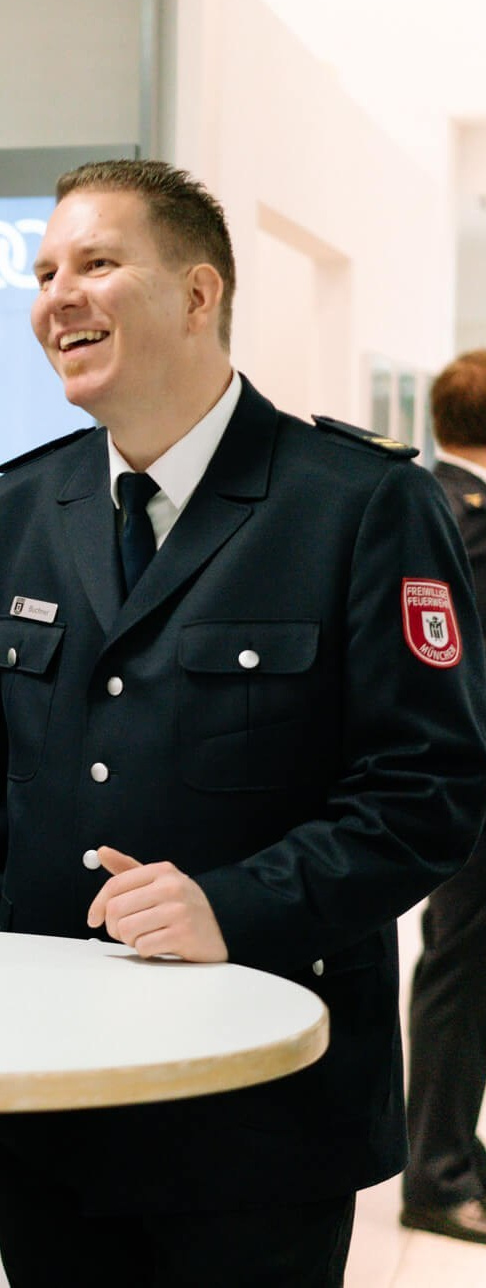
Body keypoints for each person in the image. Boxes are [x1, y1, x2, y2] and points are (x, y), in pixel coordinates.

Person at [0, 158, 486, 1287]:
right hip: (47, 1102)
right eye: (43, 270)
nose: (57, 294)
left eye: (96, 262)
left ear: (197, 296)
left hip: (255, 1111)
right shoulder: (20, 505)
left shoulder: (356, 504)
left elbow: (425, 791)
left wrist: (228, 904)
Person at [401, 349, 486, 1244]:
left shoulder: (433, 498)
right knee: (457, 975)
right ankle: (437, 1171)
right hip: (472, 792)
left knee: (466, 975)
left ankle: (454, 1147)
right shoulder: (461, 512)